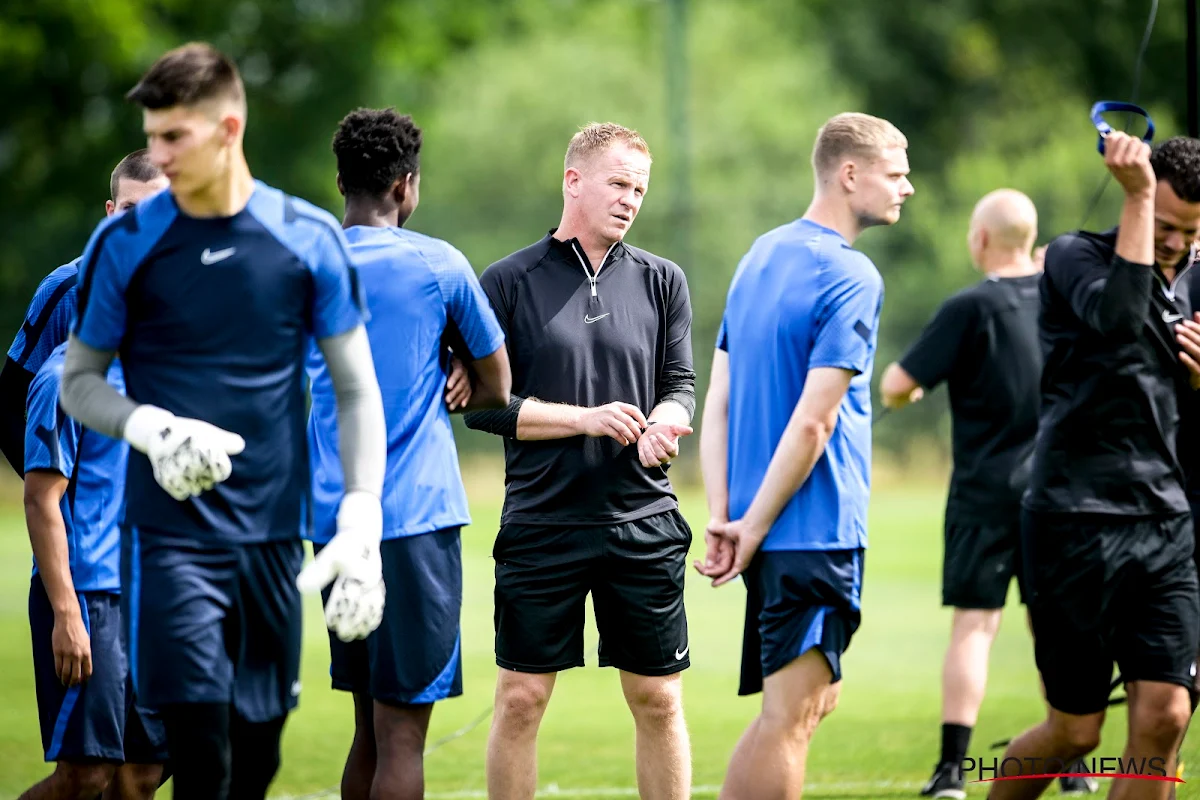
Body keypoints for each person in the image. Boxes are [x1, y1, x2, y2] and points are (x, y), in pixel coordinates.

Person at [57, 43, 388, 800]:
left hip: (274, 537)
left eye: (174, 137)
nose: (157, 154)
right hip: (167, 538)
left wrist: (362, 515)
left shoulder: (308, 238)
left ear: (228, 129)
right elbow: (78, 383)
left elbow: (357, 390)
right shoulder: (124, 243)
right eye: (152, 136)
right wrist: (151, 430)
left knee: (257, 756)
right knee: (200, 751)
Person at [463, 122, 696, 800]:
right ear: (574, 181)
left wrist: (667, 424)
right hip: (542, 525)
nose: (632, 200)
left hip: (644, 521)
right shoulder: (507, 281)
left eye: (640, 189)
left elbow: (680, 385)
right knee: (520, 699)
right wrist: (584, 421)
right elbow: (484, 407)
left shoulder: (663, 281)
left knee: (658, 700)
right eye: (619, 184)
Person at [696, 111, 912, 799]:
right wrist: (749, 529)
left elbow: (718, 402)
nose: (908, 187)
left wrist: (727, 515)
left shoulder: (758, 255)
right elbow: (815, 425)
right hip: (811, 530)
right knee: (790, 716)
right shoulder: (854, 276)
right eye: (896, 173)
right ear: (850, 174)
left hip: (767, 525)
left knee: (811, 704)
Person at [307, 106, 511, 800]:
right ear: (406, 187)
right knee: (403, 737)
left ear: (342, 181)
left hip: (333, 522)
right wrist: (452, 358)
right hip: (413, 521)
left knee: (366, 724)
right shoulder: (438, 263)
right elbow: (498, 386)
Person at [991, 133, 1200, 800]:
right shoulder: (1076, 257)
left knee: (1167, 714)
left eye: (1189, 232)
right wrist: (1141, 200)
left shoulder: (1194, 281)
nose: (1173, 242)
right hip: (1070, 522)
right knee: (1076, 733)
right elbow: (1116, 319)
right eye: (1164, 224)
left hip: (1165, 522)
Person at [878, 190, 1083, 798]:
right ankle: (1071, 763)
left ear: (982, 239)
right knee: (1055, 628)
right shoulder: (1065, 298)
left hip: (984, 495)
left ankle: (950, 772)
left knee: (975, 627)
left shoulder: (970, 306)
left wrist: (904, 395)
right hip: (1059, 494)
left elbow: (895, 385)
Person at [20, 341, 169, 800]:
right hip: (87, 599)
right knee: (86, 775)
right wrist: (66, 615)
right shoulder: (63, 380)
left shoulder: (156, 372)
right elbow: (41, 499)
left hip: (146, 595)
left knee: (142, 772)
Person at [0, 150, 167, 477]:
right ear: (110, 212)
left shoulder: (203, 290)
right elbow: (6, 407)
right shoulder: (67, 289)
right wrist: (54, 493)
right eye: (129, 209)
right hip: (90, 516)